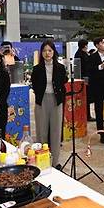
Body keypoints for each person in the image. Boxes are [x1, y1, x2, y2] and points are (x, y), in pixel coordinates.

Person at [31, 40, 68, 169]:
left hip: (56, 101)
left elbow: (64, 80)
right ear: (41, 53)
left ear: (54, 52)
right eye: (45, 51)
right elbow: (34, 84)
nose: (47, 53)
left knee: (56, 130)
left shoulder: (60, 67)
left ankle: (55, 161)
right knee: (42, 131)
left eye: (50, 50)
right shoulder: (37, 69)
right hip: (42, 101)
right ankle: (43, 160)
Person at [74, 39, 95, 121]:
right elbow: (86, 66)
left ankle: (86, 115)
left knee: (85, 98)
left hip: (82, 78)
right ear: (85, 45)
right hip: (84, 79)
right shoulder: (82, 54)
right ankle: (87, 116)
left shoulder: (79, 53)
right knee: (86, 98)